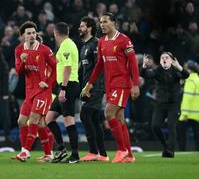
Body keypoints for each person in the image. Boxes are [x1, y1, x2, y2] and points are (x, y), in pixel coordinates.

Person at [82, 12, 140, 163]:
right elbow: (99, 65)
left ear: (114, 22)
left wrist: (135, 84)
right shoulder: (101, 41)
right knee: (120, 119)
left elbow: (133, 62)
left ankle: (121, 150)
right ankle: (130, 156)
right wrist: (89, 85)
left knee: (108, 114)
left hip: (122, 83)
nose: (102, 24)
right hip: (110, 84)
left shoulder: (124, 40)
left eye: (105, 21)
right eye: (101, 22)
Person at [14, 21, 55, 162]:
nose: (32, 35)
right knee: (22, 121)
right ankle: (49, 154)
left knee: (34, 120)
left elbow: (56, 67)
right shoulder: (19, 50)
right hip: (29, 91)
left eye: (33, 33)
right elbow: (19, 72)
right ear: (22, 36)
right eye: (28, 33)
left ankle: (25, 152)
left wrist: (48, 83)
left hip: (43, 90)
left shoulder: (44, 49)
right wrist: (23, 61)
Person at [141, 52, 189, 157]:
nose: (164, 59)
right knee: (155, 126)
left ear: (171, 61)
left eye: (166, 57)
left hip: (174, 104)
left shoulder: (176, 70)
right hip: (160, 103)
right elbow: (146, 75)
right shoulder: (157, 71)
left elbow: (186, 75)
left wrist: (179, 67)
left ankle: (170, 151)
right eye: (162, 57)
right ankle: (166, 145)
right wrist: (144, 66)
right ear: (160, 61)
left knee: (171, 126)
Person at [45, 22, 81, 164]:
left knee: (68, 120)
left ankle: (75, 155)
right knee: (49, 118)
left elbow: (67, 68)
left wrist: (64, 89)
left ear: (55, 33)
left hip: (69, 86)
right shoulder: (69, 44)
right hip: (66, 86)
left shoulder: (66, 45)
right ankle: (61, 148)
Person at [78, 16, 109, 162]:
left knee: (85, 115)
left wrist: (92, 86)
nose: (80, 28)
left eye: (82, 26)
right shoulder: (84, 46)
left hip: (95, 87)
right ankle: (102, 154)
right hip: (87, 87)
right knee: (95, 120)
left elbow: (100, 66)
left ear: (89, 28)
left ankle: (92, 151)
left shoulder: (96, 44)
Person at [178, 60, 199, 151]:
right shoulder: (198, 79)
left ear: (189, 70)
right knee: (198, 135)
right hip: (197, 114)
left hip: (188, 114)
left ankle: (182, 151)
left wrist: (185, 113)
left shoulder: (190, 80)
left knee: (181, 134)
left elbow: (188, 97)